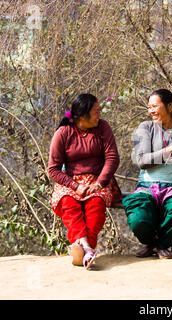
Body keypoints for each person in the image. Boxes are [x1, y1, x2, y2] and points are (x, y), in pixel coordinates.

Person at [122, 89, 172, 259]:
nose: (151, 111)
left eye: (155, 106)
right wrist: (170, 149)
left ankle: (162, 245)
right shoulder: (146, 128)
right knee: (138, 217)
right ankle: (151, 242)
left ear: (169, 106)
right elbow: (142, 161)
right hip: (148, 186)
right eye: (149, 107)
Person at [48, 93, 120, 269]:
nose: (100, 115)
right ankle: (87, 249)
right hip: (70, 182)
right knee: (69, 204)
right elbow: (53, 169)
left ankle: (83, 249)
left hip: (98, 180)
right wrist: (75, 186)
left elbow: (112, 158)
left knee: (96, 206)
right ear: (82, 116)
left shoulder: (103, 128)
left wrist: (99, 183)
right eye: (96, 111)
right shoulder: (63, 133)